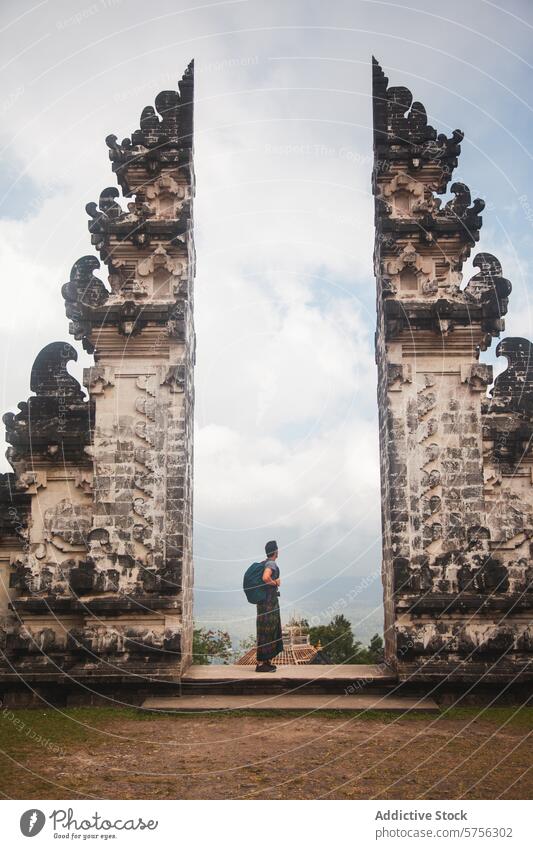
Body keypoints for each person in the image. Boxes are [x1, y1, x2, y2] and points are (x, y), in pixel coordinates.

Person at [256, 540, 283, 672]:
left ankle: (264, 662)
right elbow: (266, 578)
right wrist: (276, 583)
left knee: (263, 631)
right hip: (269, 604)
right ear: (276, 551)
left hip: (263, 604)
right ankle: (264, 663)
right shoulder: (271, 563)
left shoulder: (264, 562)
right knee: (269, 631)